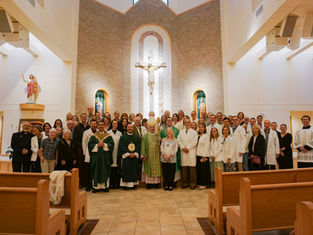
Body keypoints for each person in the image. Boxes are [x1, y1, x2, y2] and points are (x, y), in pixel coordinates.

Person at [88, 120, 114, 193]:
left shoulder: (108, 136)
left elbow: (112, 145)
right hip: (96, 158)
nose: (101, 126)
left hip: (105, 158)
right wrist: (97, 145)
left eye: (102, 125)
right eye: (99, 125)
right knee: (96, 170)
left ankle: (106, 186)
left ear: (104, 126)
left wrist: (105, 145)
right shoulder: (93, 136)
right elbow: (89, 145)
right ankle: (95, 187)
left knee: (105, 170)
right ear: (97, 126)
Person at [118, 123, 141, 190]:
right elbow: (122, 146)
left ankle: (133, 185)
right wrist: (128, 154)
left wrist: (134, 154)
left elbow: (138, 146)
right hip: (126, 157)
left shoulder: (136, 137)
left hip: (134, 157)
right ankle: (125, 185)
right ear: (126, 128)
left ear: (133, 128)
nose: (130, 129)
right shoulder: (123, 137)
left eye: (131, 127)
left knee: (134, 170)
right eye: (129, 127)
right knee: (126, 170)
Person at [177, 118, 198, 189]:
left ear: (191, 123)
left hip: (191, 151)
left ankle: (193, 184)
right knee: (184, 168)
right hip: (183, 151)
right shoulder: (181, 132)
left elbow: (195, 142)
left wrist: (188, 147)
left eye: (188, 122)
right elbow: (178, 140)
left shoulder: (194, 132)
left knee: (192, 168)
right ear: (184, 123)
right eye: (186, 122)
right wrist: (183, 147)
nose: (187, 123)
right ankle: (185, 183)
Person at [141, 119, 162, 189]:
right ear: (148, 127)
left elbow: (161, 145)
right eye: (150, 127)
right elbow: (143, 146)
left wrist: (160, 141)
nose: (152, 128)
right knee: (148, 169)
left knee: (156, 169)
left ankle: (156, 183)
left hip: (156, 156)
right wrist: (143, 155)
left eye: (153, 127)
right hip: (148, 156)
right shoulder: (145, 136)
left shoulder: (157, 135)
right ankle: (149, 183)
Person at [160, 117, 181, 184]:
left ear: (172, 121)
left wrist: (171, 155)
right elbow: (161, 145)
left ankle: (173, 183)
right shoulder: (163, 131)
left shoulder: (177, 130)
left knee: (172, 170)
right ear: (166, 121)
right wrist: (164, 155)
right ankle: (166, 183)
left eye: (170, 120)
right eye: (168, 120)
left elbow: (177, 144)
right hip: (164, 156)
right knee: (166, 170)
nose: (169, 121)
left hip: (173, 155)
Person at [73, 113, 90, 189]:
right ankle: (81, 183)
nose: (84, 118)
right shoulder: (77, 127)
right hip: (80, 150)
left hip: (89, 150)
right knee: (81, 166)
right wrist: (82, 147)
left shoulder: (89, 127)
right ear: (80, 118)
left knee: (87, 166)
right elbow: (75, 139)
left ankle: (87, 182)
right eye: (82, 117)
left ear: (87, 118)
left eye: (85, 117)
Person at [82, 119, 98, 191]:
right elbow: (83, 143)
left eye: (95, 124)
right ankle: (88, 185)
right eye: (92, 123)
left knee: (94, 170)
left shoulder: (98, 132)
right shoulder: (86, 132)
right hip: (88, 154)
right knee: (88, 170)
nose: (94, 125)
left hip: (96, 154)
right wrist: (85, 153)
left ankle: (94, 184)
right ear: (90, 124)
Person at [108, 120, 122, 188]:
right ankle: (111, 183)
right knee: (111, 168)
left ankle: (117, 183)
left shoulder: (120, 133)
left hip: (118, 152)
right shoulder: (108, 133)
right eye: (113, 123)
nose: (115, 125)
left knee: (117, 168)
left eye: (116, 124)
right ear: (111, 124)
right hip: (111, 152)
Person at [196, 123, 210, 189]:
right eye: (200, 127)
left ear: (204, 128)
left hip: (203, 155)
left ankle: (204, 184)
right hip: (198, 154)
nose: (201, 128)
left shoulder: (206, 136)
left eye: (202, 127)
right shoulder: (198, 135)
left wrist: (204, 156)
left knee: (204, 171)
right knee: (199, 170)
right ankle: (200, 183)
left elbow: (206, 146)